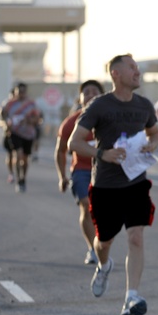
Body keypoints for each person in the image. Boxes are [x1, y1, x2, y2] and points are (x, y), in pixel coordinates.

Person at [68, 55, 158, 315]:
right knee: (104, 241)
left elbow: (155, 133)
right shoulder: (100, 106)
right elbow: (74, 143)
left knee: (136, 237)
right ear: (116, 74)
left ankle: (132, 296)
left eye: (137, 67)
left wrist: (152, 145)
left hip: (136, 182)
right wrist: (102, 153)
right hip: (106, 186)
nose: (137, 71)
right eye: (132, 68)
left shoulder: (144, 105)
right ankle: (104, 265)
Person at [55, 80, 104, 265]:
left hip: (105, 171)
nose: (90, 94)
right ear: (81, 98)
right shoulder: (70, 123)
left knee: (102, 212)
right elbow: (60, 151)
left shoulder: (109, 120)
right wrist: (62, 177)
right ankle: (92, 248)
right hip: (81, 170)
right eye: (87, 92)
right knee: (86, 204)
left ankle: (101, 244)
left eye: (95, 91)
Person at [1, 82, 40, 192]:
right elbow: (2, 115)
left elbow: (37, 119)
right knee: (17, 155)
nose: (21, 94)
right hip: (14, 133)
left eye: (23, 92)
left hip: (28, 134)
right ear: (16, 91)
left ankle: (23, 178)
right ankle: (18, 179)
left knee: (25, 159)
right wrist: (6, 124)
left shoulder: (31, 104)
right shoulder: (9, 104)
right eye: (19, 92)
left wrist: (28, 120)